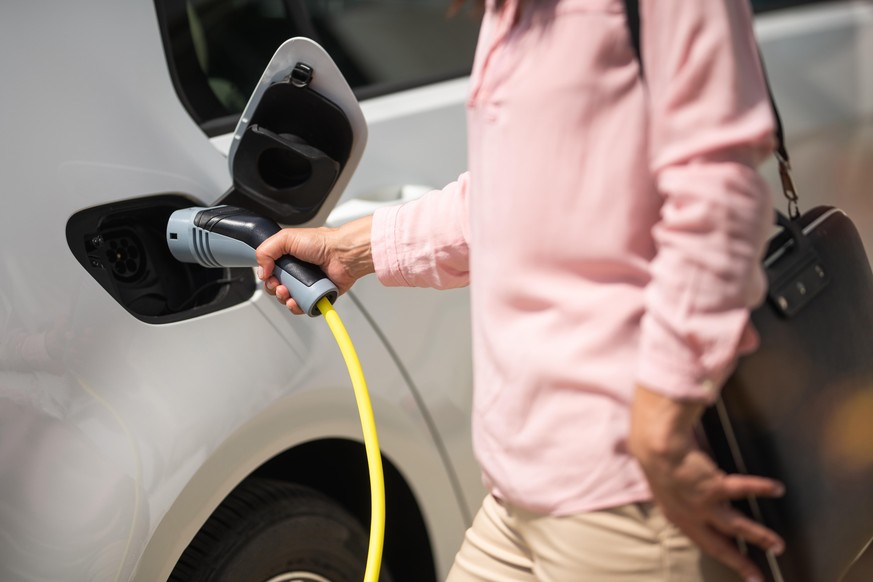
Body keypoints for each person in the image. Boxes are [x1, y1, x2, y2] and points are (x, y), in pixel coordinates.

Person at [255, 0, 786, 580]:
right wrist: (351, 251)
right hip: (517, 486)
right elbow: (512, 196)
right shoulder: (514, 12)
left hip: (617, 490)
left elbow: (720, 195)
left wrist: (660, 412)